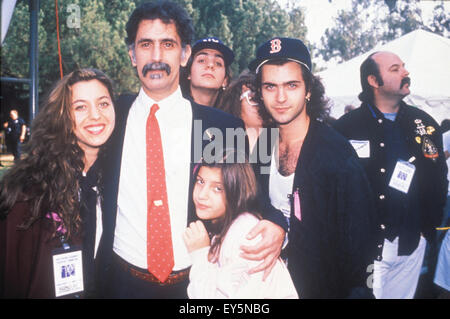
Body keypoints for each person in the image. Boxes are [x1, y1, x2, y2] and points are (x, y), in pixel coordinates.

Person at [98, 1, 285, 299]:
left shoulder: (223, 127)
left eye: (168, 44)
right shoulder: (109, 118)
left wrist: (277, 225)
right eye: (146, 44)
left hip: (196, 287)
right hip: (118, 284)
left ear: (184, 54)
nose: (156, 57)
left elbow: (253, 201)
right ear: (132, 54)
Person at [250, 37, 379, 298]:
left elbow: (360, 243)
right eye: (270, 86)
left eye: (292, 85)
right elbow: (253, 202)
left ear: (308, 89)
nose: (281, 97)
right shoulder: (263, 145)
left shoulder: (336, 154)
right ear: (260, 93)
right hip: (269, 285)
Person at [334, 51, 448, 299]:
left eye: (404, 67)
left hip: (411, 244)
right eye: (395, 69)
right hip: (366, 249)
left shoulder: (425, 124)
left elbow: (438, 178)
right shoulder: (345, 128)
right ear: (373, 81)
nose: (405, 73)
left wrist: (425, 231)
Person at [0, 68, 116, 298]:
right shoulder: (29, 190)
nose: (95, 115)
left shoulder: (115, 179)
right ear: (63, 115)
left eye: (103, 103)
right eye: (80, 107)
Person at [184, 150, 298, 298]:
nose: (202, 195)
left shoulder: (246, 235)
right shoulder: (223, 225)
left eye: (217, 188)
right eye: (200, 181)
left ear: (237, 192)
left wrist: (200, 255)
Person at [219, 70, 274, 152]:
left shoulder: (278, 143)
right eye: (253, 99)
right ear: (236, 102)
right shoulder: (221, 143)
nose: (260, 106)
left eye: (263, 100)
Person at [180, 36, 234, 107]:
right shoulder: (169, 112)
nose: (210, 65)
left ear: (225, 80)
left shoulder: (230, 117)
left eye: (218, 63)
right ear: (189, 73)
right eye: (202, 60)